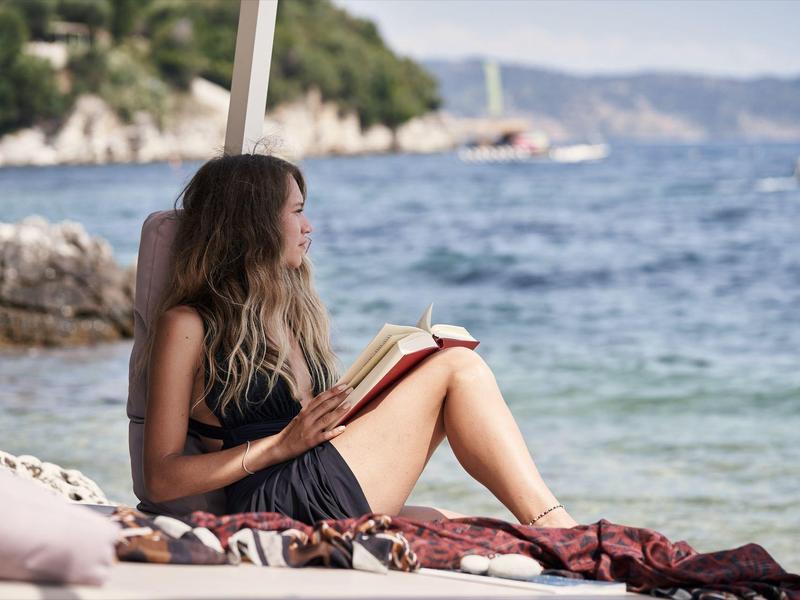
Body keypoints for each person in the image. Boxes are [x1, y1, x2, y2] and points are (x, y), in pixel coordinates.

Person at [142, 152, 577, 528]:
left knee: (481, 529)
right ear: (254, 223)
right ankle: (561, 528)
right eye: (295, 211)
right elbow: (161, 478)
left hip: (314, 476)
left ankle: (552, 531)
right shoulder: (189, 324)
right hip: (273, 501)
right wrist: (280, 445)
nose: (308, 225)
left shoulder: (293, 314)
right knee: (456, 368)